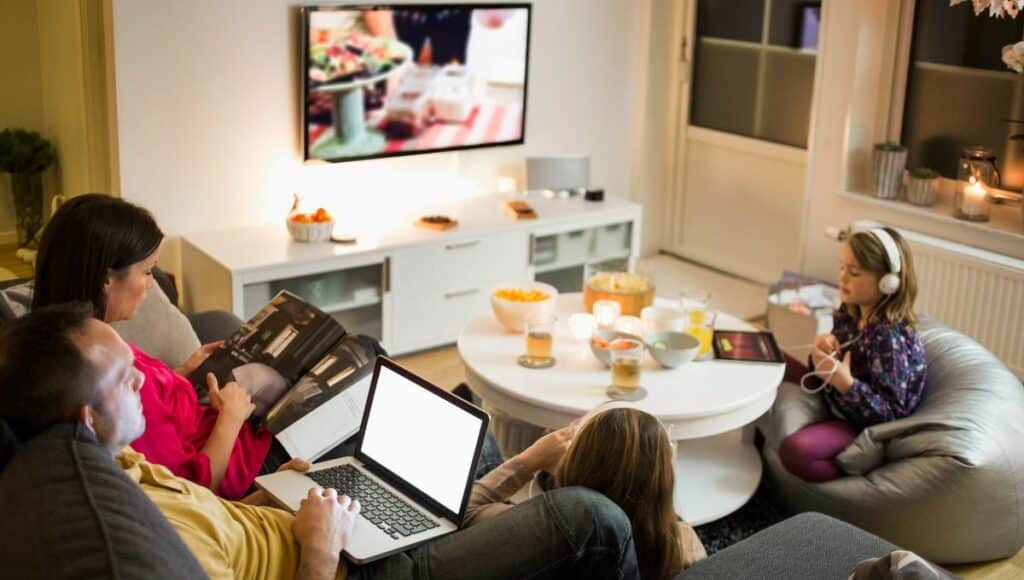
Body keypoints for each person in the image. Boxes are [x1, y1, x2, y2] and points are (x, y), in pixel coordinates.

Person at [0, 303, 640, 580]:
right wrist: (318, 549)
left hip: (310, 523)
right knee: (593, 520)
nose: (141, 374)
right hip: (349, 569)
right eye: (122, 377)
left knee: (452, 464)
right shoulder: (144, 537)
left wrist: (267, 494)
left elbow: (218, 514)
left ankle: (510, 478)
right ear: (86, 417)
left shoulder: (118, 460)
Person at [31, 194, 270, 499]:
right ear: (106, 279)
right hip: (245, 460)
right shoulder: (110, 387)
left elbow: (152, 400)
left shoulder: (76, 341)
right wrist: (232, 418)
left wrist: (180, 374)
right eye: (146, 271)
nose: (150, 284)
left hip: (213, 419)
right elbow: (193, 490)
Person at [465, 405, 707, 579]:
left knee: (483, 449)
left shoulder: (544, 532)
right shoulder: (683, 544)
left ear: (578, 464)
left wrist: (530, 459)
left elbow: (465, 511)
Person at [779, 227, 927, 482]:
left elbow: (892, 415)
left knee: (797, 451)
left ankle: (853, 478)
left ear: (887, 283)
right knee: (770, 357)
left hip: (857, 423)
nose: (843, 278)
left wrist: (847, 385)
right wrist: (822, 349)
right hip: (833, 394)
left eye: (854, 272)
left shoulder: (889, 338)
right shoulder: (850, 310)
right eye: (842, 268)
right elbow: (831, 364)